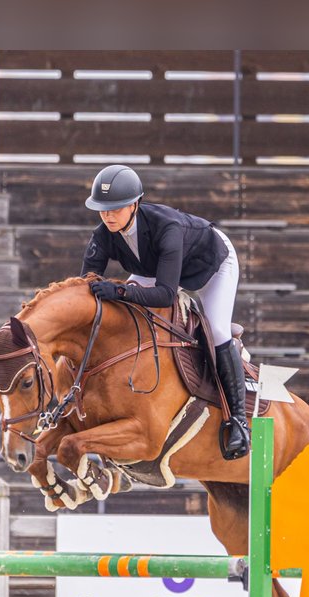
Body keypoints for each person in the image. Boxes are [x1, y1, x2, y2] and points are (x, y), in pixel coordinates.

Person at [80, 164, 251, 460]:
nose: (108, 216)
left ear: (135, 204)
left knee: (217, 329)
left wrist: (119, 291)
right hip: (157, 270)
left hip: (211, 266)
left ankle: (238, 421)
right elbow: (85, 285)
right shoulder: (103, 234)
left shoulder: (167, 228)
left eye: (115, 209)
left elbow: (166, 294)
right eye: (102, 210)